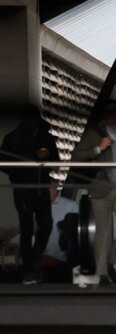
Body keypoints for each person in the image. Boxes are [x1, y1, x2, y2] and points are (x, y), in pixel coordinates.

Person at [70, 99, 116, 284]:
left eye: (114, 112)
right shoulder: (94, 135)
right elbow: (76, 156)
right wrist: (97, 148)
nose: (111, 115)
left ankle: (110, 262)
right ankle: (101, 274)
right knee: (102, 231)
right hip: (100, 188)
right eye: (108, 111)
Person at [0, 104, 59, 284]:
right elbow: (3, 162)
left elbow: (55, 161)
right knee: (26, 228)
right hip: (23, 188)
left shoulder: (46, 137)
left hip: (40, 187)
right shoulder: (12, 138)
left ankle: (33, 259)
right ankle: (29, 266)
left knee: (46, 224)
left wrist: (46, 156)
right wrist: (21, 170)